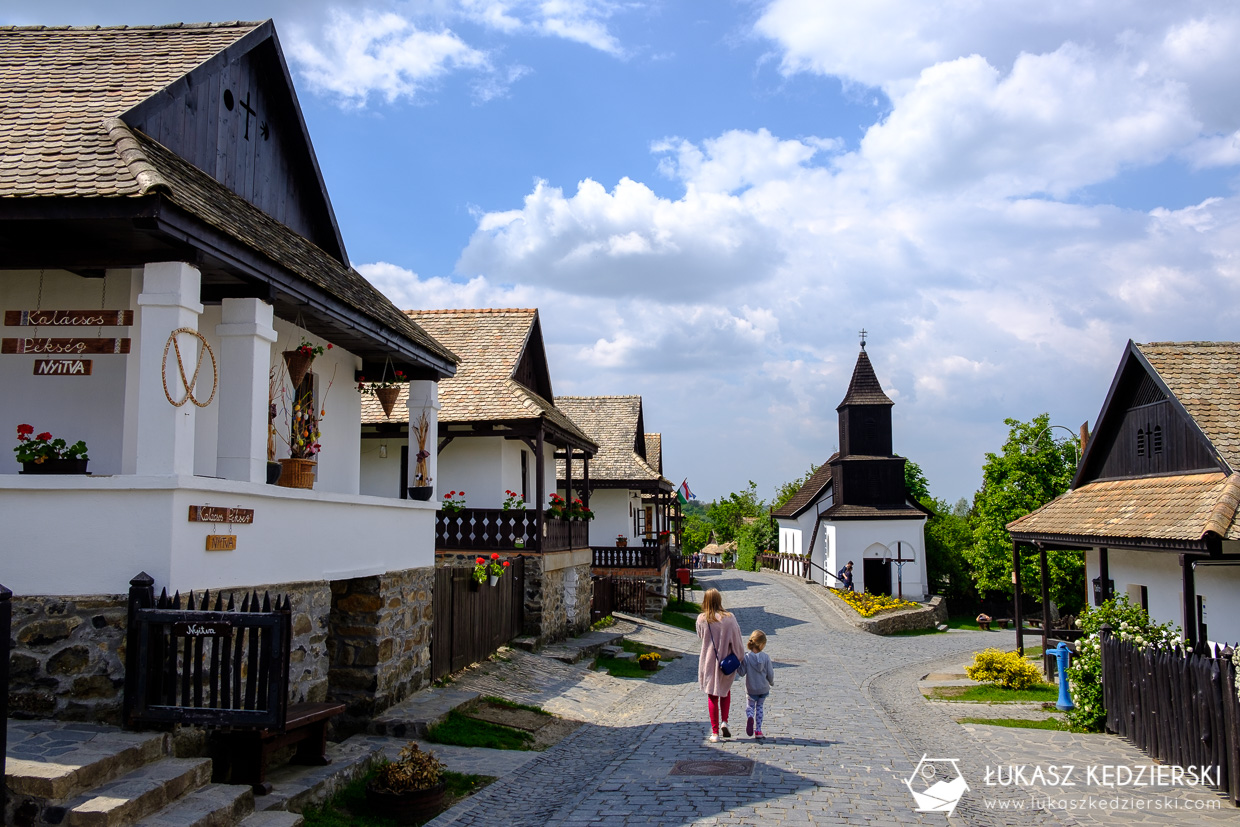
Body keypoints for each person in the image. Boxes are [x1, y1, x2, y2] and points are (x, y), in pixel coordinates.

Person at [696, 588, 743, 743]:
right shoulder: (730, 618)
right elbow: (737, 641)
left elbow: (701, 636)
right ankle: (725, 721)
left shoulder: (702, 619)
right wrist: (738, 657)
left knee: (712, 696)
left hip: (708, 662)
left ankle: (715, 732)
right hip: (726, 663)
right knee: (725, 691)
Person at [738, 630, 775, 739]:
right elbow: (770, 673)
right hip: (763, 688)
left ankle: (750, 716)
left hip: (751, 688)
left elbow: (741, 672)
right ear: (762, 645)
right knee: (760, 707)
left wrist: (737, 665)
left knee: (750, 706)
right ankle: (758, 730)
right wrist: (771, 682)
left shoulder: (747, 657)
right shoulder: (766, 657)